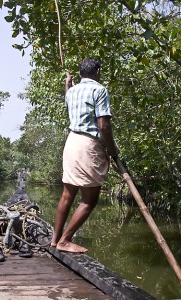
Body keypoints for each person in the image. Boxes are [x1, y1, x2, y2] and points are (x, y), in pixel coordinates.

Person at [51, 58, 119, 253]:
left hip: (71, 142)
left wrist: (67, 86)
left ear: (81, 74)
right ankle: (65, 241)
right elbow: (103, 125)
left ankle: (55, 240)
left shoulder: (72, 92)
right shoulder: (99, 90)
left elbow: (72, 105)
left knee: (67, 194)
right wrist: (111, 149)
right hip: (88, 144)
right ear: (97, 71)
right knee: (90, 199)